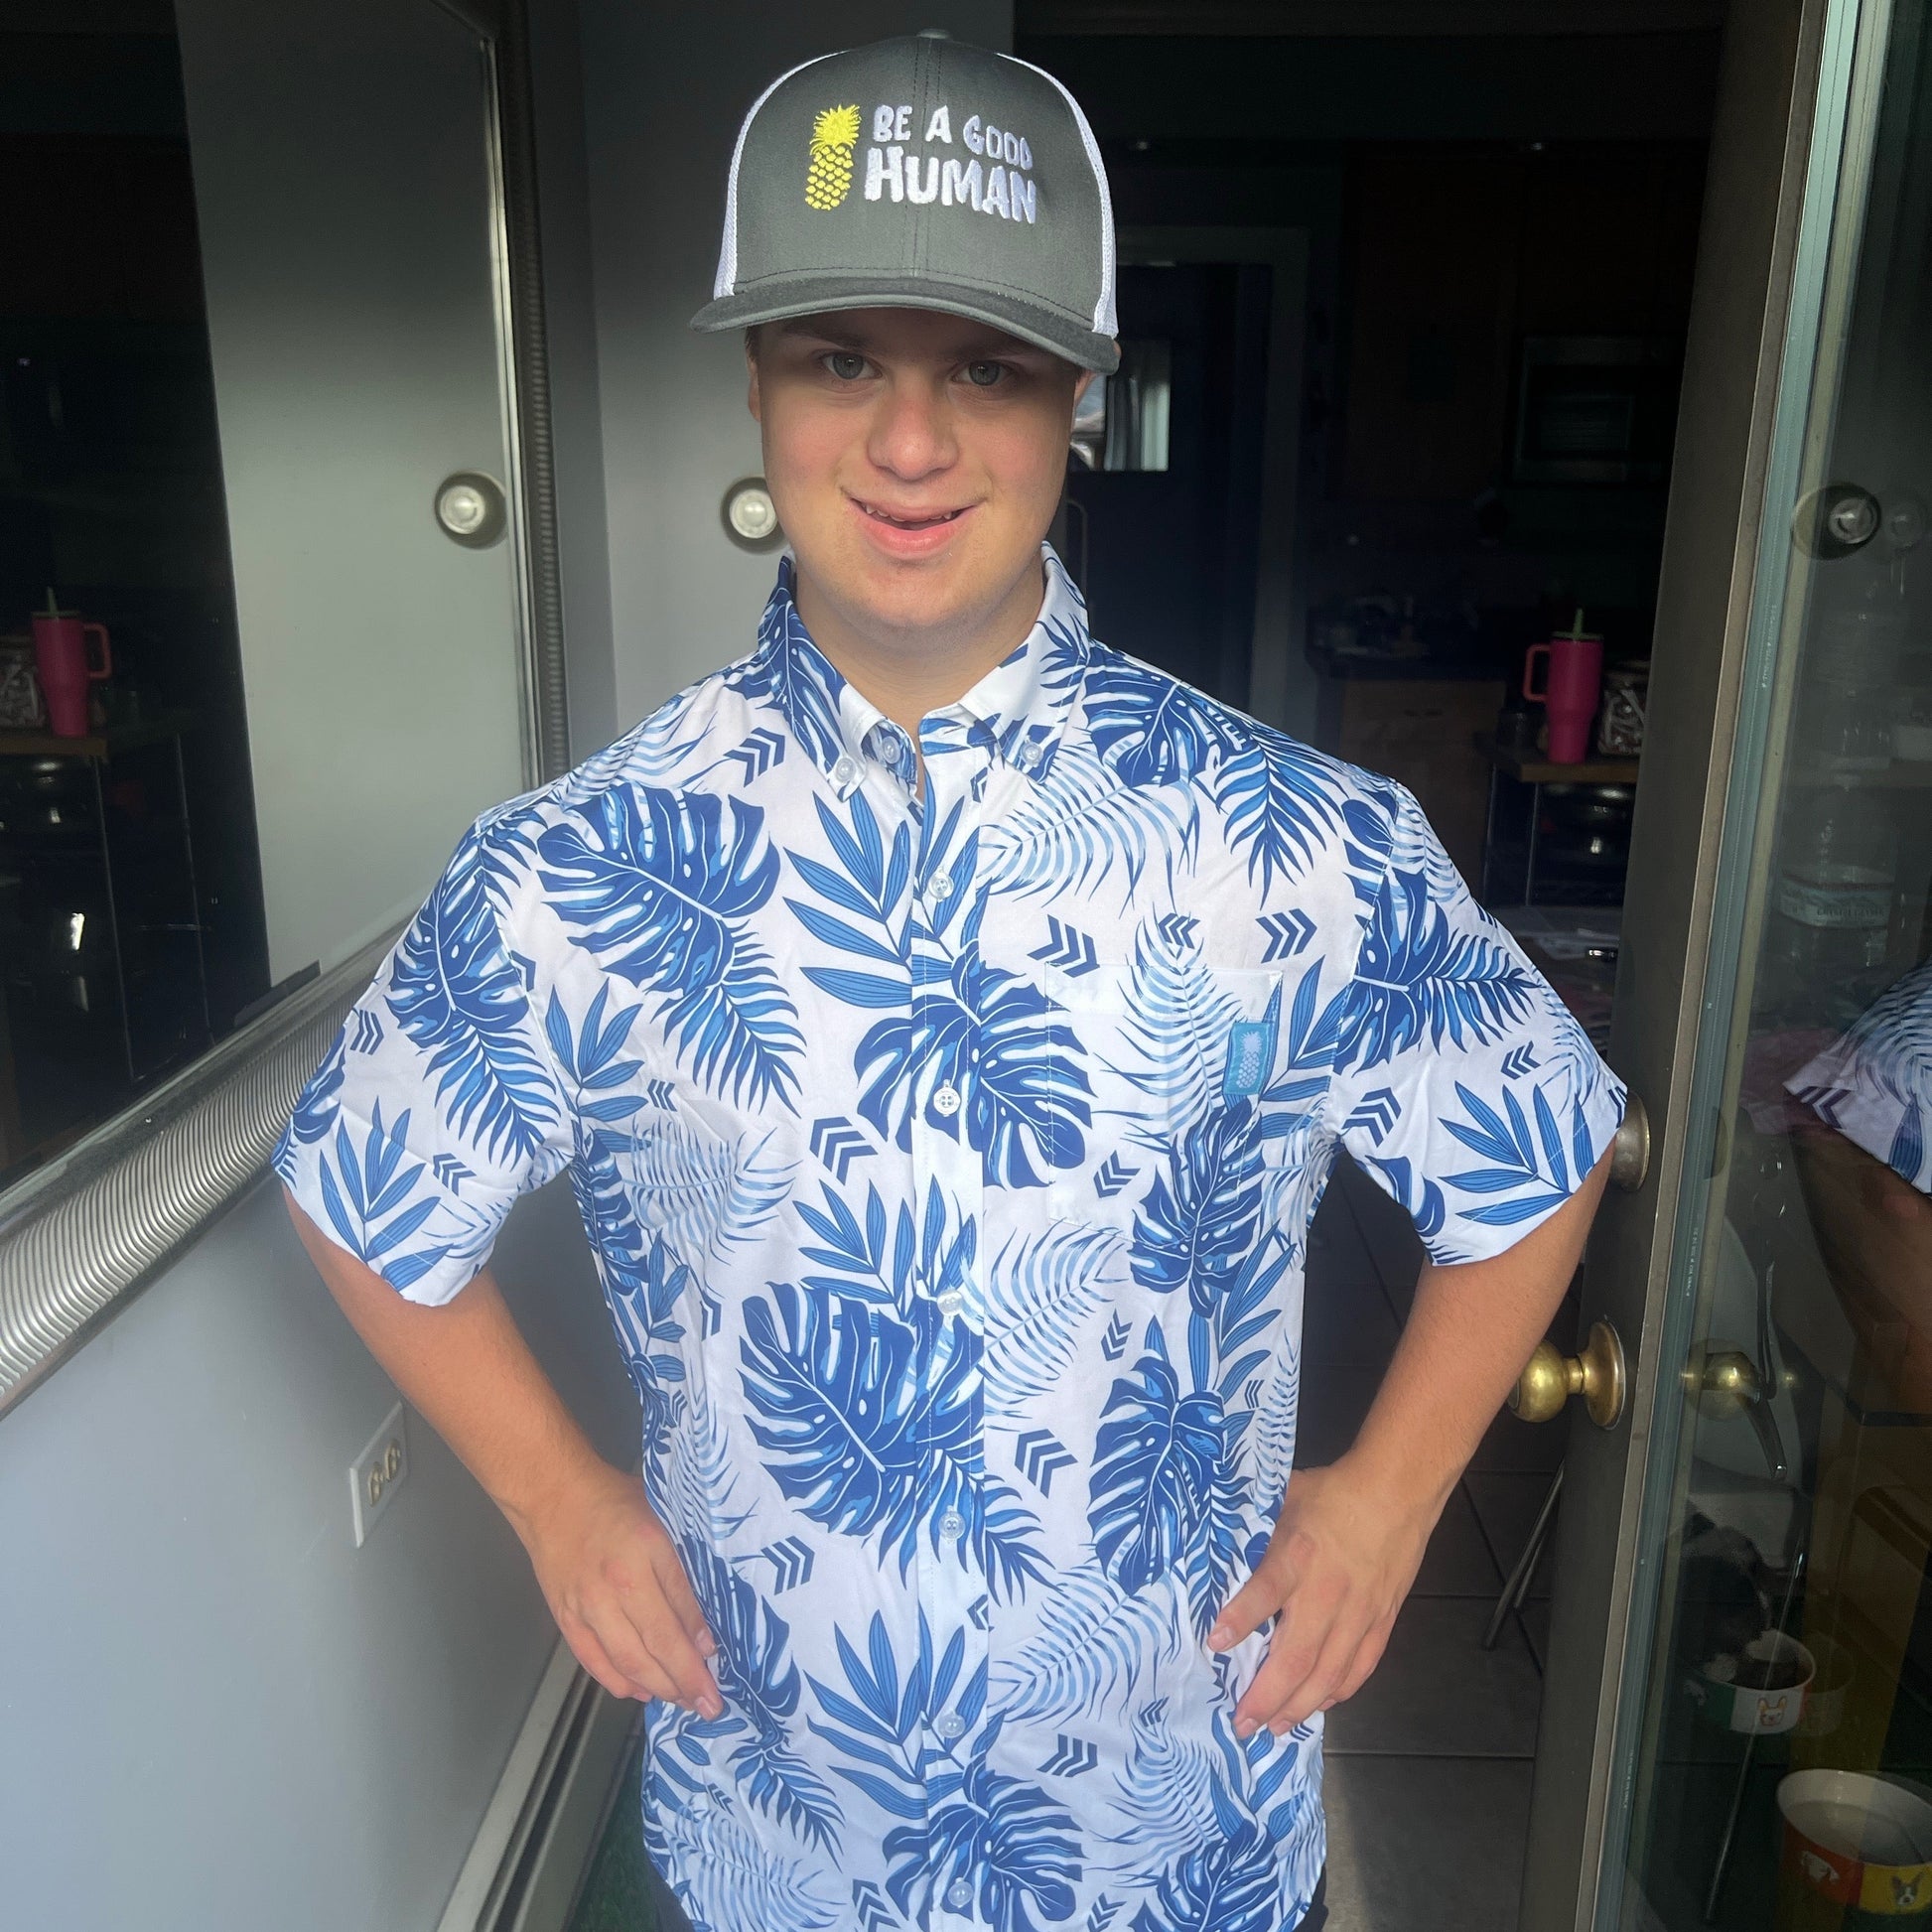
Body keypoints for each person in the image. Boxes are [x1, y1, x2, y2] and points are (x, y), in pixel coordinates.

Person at [277, 31, 1622, 1932]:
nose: (908, 446)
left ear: (1078, 395)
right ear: (756, 383)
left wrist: (1389, 1496)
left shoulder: (1298, 843)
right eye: (843, 359)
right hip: (774, 1837)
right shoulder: (578, 866)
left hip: (1174, 1831)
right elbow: (365, 1188)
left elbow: (1541, 1149)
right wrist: (556, 1498)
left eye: (984, 367)